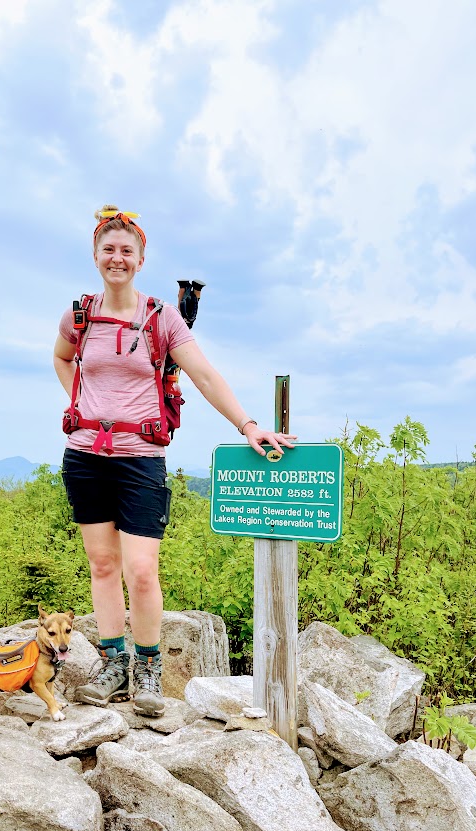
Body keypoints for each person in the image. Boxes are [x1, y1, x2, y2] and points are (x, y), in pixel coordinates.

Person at [53, 205, 296, 716]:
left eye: (127, 251)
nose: (116, 258)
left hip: (141, 460)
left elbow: (205, 375)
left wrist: (249, 426)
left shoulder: (160, 317)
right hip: (85, 457)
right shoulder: (79, 314)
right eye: (108, 249)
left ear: (141, 260)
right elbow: (61, 357)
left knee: (141, 570)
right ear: (96, 255)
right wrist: (78, 404)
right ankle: (113, 663)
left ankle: (146, 668)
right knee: (102, 564)